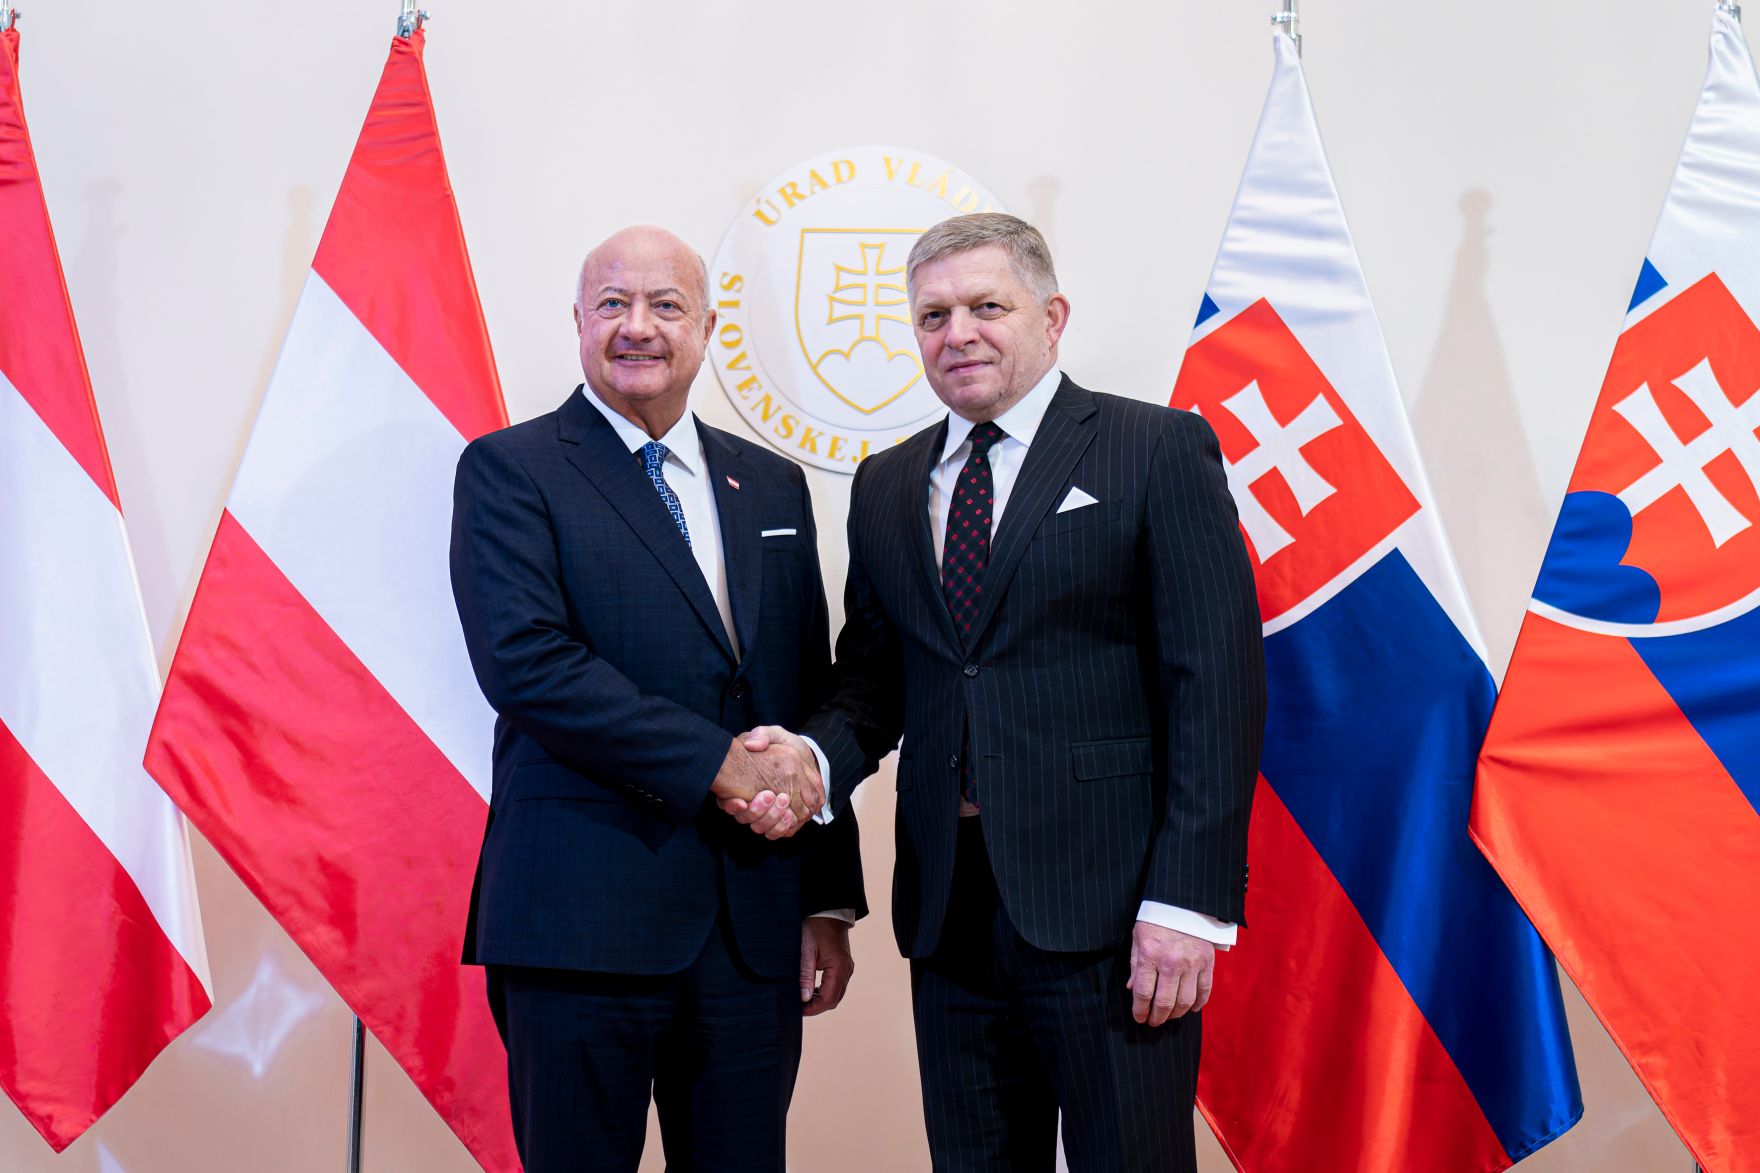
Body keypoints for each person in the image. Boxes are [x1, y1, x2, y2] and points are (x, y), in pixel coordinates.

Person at [739, 213, 1265, 1171]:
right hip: (950, 911)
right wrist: (809, 762)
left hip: (1113, 914)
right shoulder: (888, 484)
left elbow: (1216, 688)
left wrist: (1188, 904)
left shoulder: (1155, 450)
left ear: (1052, 316)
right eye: (933, 315)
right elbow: (872, 682)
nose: (958, 333)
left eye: (988, 306)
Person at [449, 225, 865, 1173]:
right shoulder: (512, 468)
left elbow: (802, 684)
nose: (638, 327)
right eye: (613, 305)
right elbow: (529, 664)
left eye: (665, 305)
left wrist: (826, 900)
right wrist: (719, 763)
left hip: (752, 928)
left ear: (707, 327)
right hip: (579, 919)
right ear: (579, 322)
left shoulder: (770, 481)